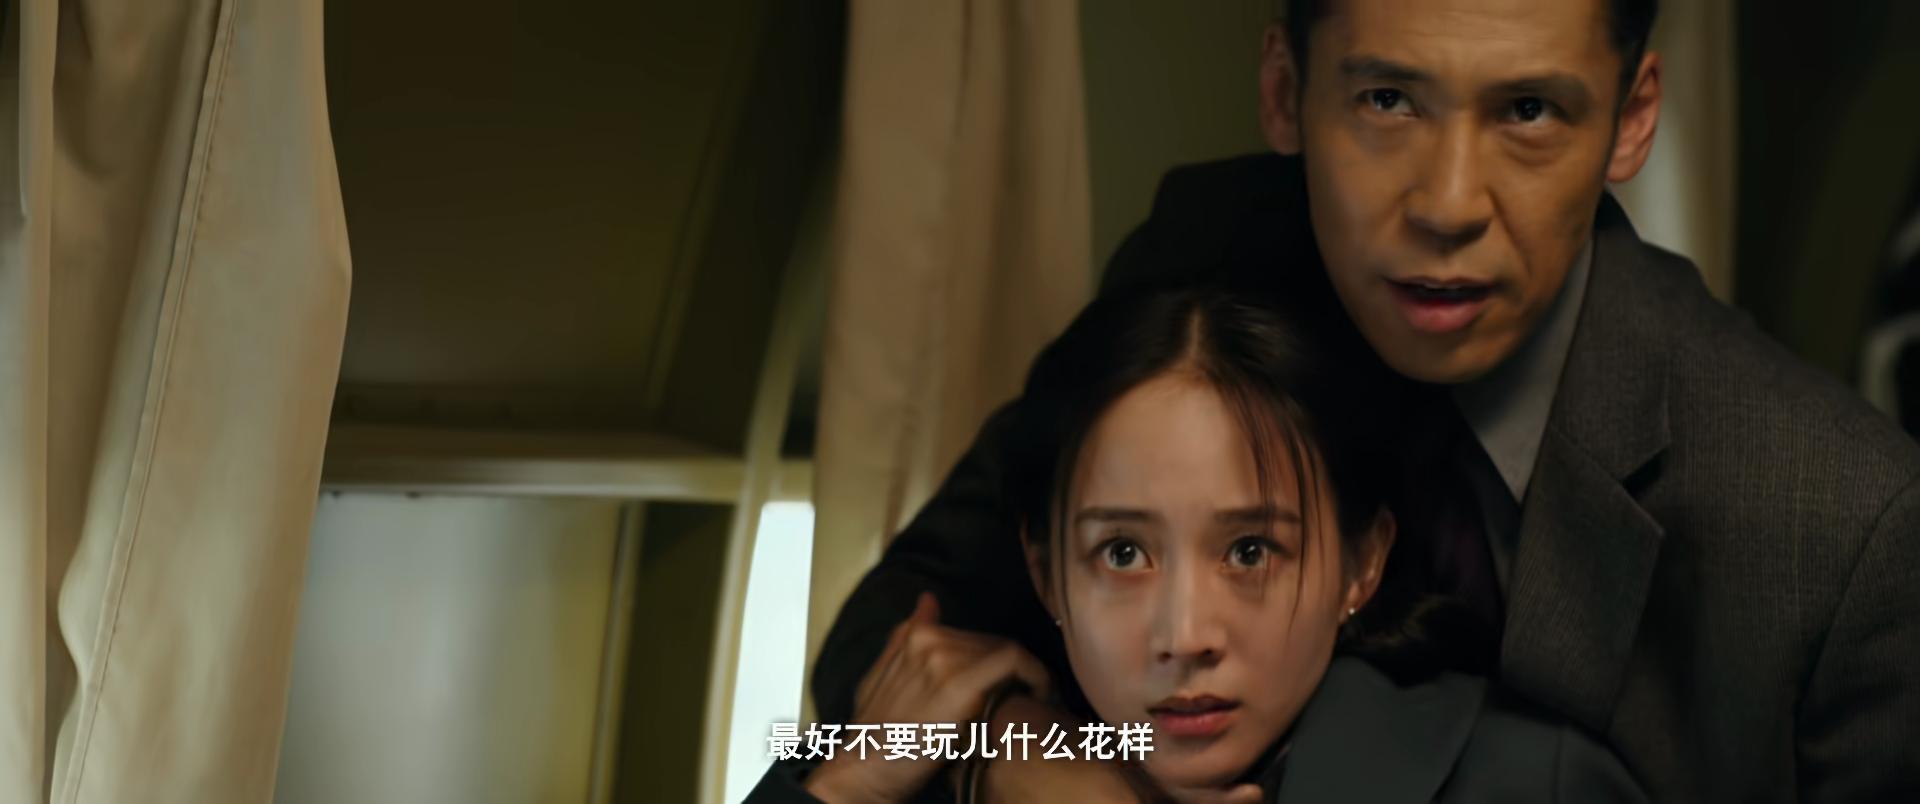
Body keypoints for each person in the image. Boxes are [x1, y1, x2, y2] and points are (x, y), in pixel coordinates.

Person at [812, 0, 1920, 801]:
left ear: (1633, 119)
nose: (1447, 204)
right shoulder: (1214, 259)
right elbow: (893, 632)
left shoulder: (1842, 527)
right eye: (1387, 99)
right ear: (1285, 92)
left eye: (1529, 109)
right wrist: (1026, 761)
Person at [750, 287, 1643, 802]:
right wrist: (846, 788)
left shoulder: (1531, 784)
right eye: (1123, 555)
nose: (1184, 635)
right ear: (1045, 573)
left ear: (1363, 562)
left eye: (1250, 552)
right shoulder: (958, 775)